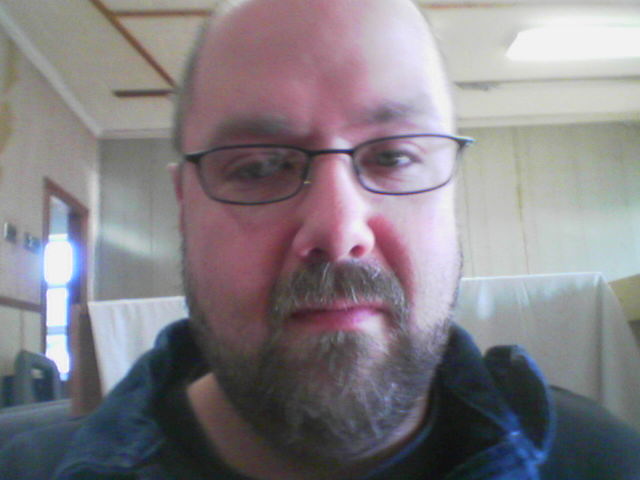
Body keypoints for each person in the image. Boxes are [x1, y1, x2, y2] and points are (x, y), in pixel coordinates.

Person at [2, 0, 640, 478]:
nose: (338, 230)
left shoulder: (609, 462)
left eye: (393, 157)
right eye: (259, 166)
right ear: (184, 207)